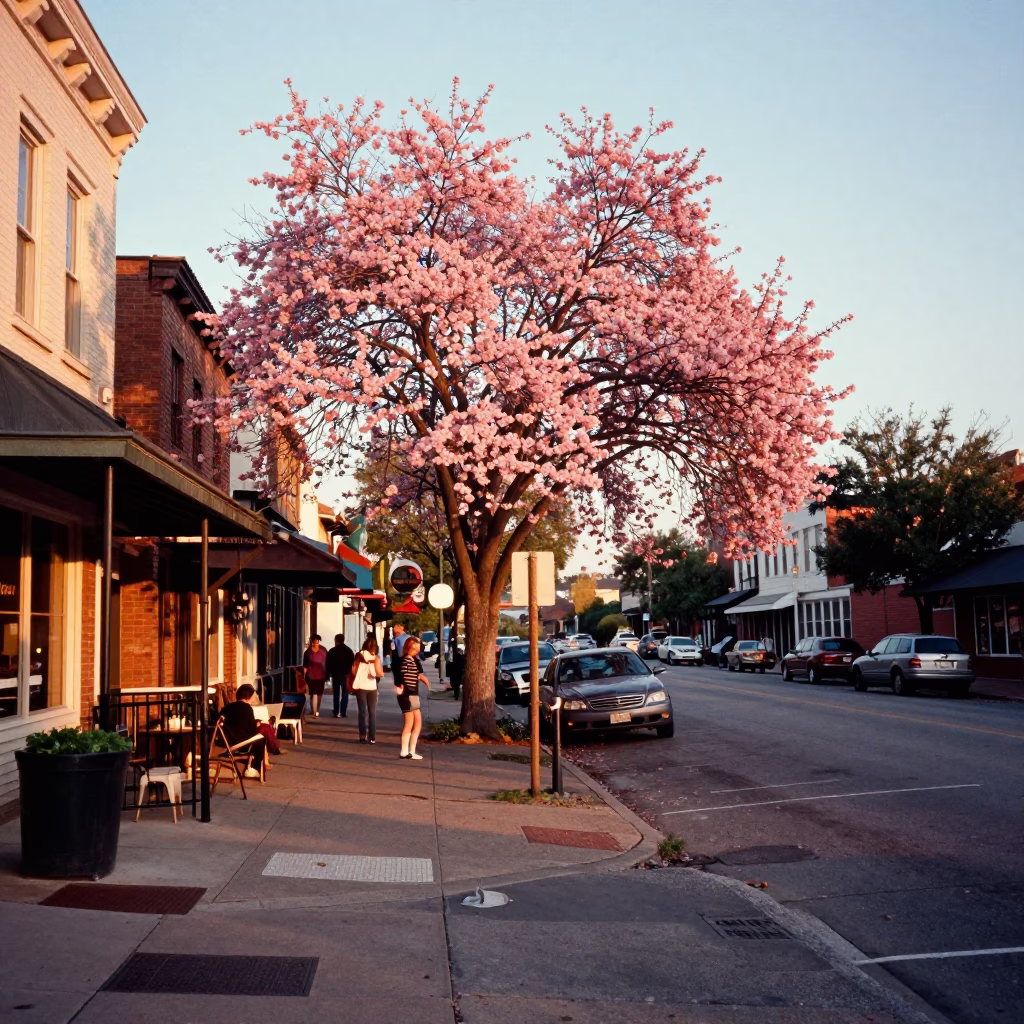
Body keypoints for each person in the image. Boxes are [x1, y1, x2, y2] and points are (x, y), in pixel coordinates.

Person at [219, 683, 268, 778]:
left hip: (228, 740)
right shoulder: (247, 708)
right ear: (248, 697)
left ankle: (251, 765)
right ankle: (254, 767)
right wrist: (256, 724)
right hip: (242, 742)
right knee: (261, 739)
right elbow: (251, 728)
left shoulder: (228, 707)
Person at [395, 635, 429, 760]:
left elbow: (409, 676)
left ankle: (407, 751)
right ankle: (408, 751)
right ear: (411, 647)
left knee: (413, 723)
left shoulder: (409, 660)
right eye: (416, 648)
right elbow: (406, 678)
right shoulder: (407, 661)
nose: (418, 650)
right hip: (410, 695)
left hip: (409, 695)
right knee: (413, 723)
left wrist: (422, 679)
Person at [349, 636, 384, 744]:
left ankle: (362, 736)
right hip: (372, 687)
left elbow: (353, 671)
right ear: (374, 648)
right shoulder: (375, 658)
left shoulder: (358, 656)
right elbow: (380, 674)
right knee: (372, 713)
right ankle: (372, 737)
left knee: (362, 712)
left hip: (360, 687)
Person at [328, 633, 355, 718]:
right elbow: (352, 664)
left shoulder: (332, 651)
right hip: (345, 675)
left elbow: (328, 664)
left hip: (336, 675)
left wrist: (328, 674)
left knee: (336, 693)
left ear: (336, 640)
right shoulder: (349, 651)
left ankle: (336, 711)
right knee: (345, 693)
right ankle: (343, 711)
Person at [302, 634, 329, 717]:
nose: (315, 643)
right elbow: (305, 665)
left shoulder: (324, 650)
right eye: (314, 641)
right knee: (313, 692)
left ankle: (317, 709)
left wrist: (327, 675)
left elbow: (327, 663)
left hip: (321, 675)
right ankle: (314, 710)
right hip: (311, 676)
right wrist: (303, 675)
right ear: (312, 641)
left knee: (319, 693)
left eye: (317, 641)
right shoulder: (308, 652)